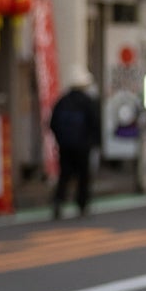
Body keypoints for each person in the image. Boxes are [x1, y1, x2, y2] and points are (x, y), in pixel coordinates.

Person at [49, 67, 100, 219]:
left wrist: (60, 140)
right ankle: (82, 205)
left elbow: (52, 123)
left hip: (65, 145)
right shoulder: (87, 101)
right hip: (83, 146)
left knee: (64, 175)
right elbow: (95, 124)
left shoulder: (62, 101)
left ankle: (58, 202)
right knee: (83, 176)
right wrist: (94, 142)